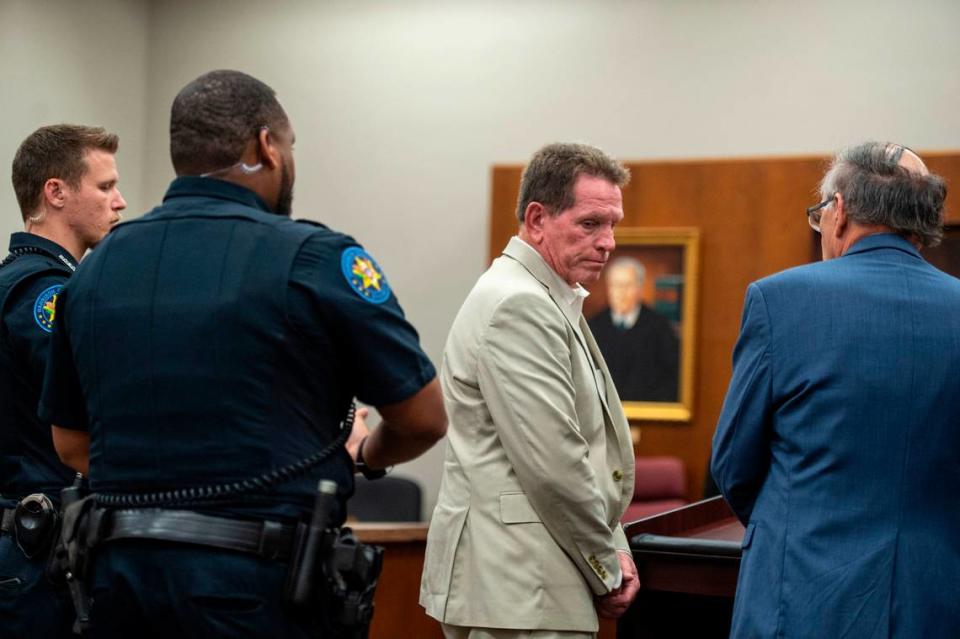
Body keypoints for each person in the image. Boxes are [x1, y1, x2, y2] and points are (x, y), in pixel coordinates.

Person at [37, 70, 447, 638]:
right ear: (266, 146)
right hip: (258, 591)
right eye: (290, 146)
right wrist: (363, 455)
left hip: (119, 587)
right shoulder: (314, 258)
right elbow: (423, 418)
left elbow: (71, 442)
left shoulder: (93, 273)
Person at [711, 142, 960, 638]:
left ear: (838, 211)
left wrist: (796, 520)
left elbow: (732, 463)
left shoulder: (779, 300)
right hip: (934, 597)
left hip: (802, 594)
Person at [421, 142, 640, 639]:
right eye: (590, 224)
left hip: (522, 585)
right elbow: (556, 467)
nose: (608, 242)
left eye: (613, 226)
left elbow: (586, 451)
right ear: (537, 219)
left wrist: (615, 543)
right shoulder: (520, 304)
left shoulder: (542, 296)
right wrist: (607, 563)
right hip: (521, 585)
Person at [0, 124, 126, 638]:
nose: (120, 202)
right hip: (34, 550)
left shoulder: (16, 280)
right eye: (104, 186)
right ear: (56, 192)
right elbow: (101, 401)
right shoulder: (44, 294)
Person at [587, 256, 679, 401]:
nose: (621, 292)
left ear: (640, 289)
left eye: (627, 285)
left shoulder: (659, 328)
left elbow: (672, 379)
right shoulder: (593, 327)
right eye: (616, 285)